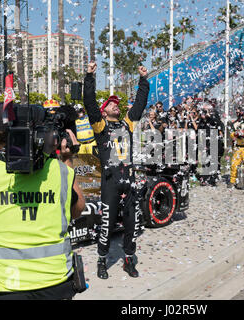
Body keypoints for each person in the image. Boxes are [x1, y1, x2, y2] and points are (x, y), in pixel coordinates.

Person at [0, 103, 85, 300]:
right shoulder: (58, 171)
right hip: (57, 284)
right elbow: (78, 210)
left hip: (6, 288)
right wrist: (67, 159)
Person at [83, 62, 149, 280]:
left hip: (128, 182)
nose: (116, 106)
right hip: (110, 183)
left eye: (117, 104)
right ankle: (102, 261)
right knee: (107, 225)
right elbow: (90, 104)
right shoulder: (100, 126)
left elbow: (139, 104)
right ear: (104, 111)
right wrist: (90, 77)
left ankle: (129, 260)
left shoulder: (127, 124)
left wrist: (143, 80)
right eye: (111, 104)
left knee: (132, 223)